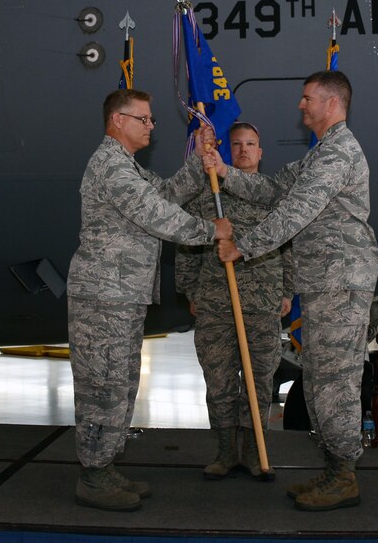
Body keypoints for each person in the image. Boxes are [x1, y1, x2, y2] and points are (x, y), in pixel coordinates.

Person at [212, 70, 378, 512]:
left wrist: (241, 247)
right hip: (324, 282)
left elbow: (295, 212)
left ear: (332, 103)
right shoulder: (320, 153)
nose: (300, 106)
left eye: (307, 99)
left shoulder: (338, 151)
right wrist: (225, 173)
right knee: (321, 379)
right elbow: (273, 189)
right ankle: (333, 470)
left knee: (336, 382)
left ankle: (344, 476)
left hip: (340, 282)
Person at [66, 88, 232, 512]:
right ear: (118, 120)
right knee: (102, 385)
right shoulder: (110, 167)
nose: (152, 126)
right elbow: (158, 215)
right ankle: (93, 474)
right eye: (145, 119)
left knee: (121, 384)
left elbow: (166, 194)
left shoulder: (130, 168)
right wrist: (212, 231)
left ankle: (105, 464)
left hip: (124, 295)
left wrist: (199, 163)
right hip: (104, 297)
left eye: (152, 119)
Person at [176, 122, 292, 481]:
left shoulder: (275, 197)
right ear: (228, 151)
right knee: (220, 381)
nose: (243, 150)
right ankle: (226, 452)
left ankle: (256, 452)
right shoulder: (210, 194)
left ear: (261, 152)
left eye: (251, 144)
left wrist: (289, 291)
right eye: (237, 144)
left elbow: (290, 245)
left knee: (258, 381)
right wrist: (190, 290)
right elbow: (188, 245)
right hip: (215, 301)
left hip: (261, 302)